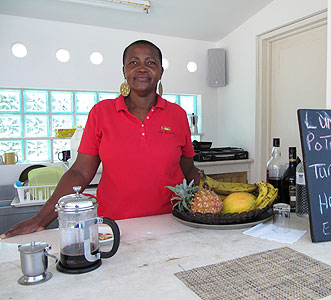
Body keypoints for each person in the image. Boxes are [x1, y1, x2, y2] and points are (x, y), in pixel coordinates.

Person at [1, 40, 200, 239]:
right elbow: (80, 171)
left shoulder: (177, 114)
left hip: (172, 223)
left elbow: (188, 169)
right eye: (133, 63)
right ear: (124, 71)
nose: (142, 68)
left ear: (161, 72)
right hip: (114, 227)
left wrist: (211, 202)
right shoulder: (102, 113)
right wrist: (40, 220)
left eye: (150, 63)